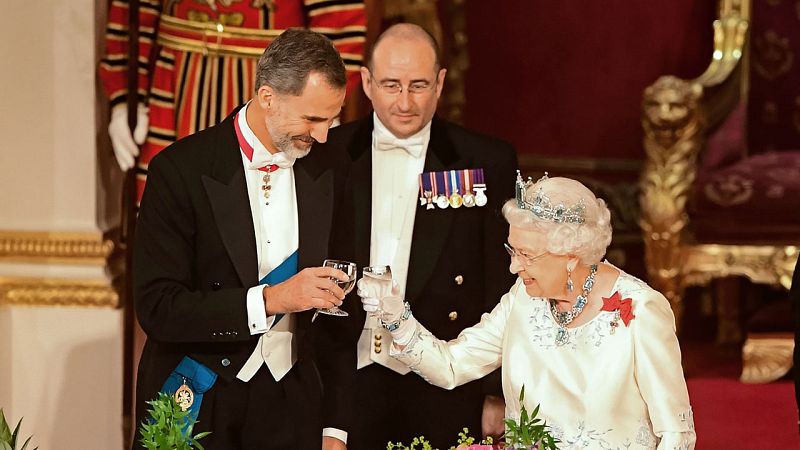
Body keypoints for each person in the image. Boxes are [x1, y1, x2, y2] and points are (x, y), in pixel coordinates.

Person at [359, 173, 697, 449]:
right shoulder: (523, 297)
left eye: (526, 254)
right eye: (512, 250)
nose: (513, 267)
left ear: (571, 254)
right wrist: (396, 318)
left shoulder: (642, 310)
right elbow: (451, 365)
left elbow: (676, 432)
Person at [133, 29, 354, 450]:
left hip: (293, 403)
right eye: (312, 119)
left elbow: (346, 304)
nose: (324, 135)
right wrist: (272, 300)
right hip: (200, 395)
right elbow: (158, 308)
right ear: (267, 96)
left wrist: (335, 427)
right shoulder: (178, 171)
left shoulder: (332, 167)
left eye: (332, 119)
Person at [314, 23, 518, 449]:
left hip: (447, 378)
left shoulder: (484, 159)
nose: (404, 102)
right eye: (390, 85)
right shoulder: (327, 154)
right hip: (348, 374)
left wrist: (496, 391)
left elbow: (504, 281)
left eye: (418, 85)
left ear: (441, 82)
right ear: (367, 82)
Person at [99, 0, 366, 203]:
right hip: (175, 81)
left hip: (276, 79)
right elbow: (134, 13)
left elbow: (339, 18)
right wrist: (124, 94)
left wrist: (321, 101)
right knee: (166, 199)